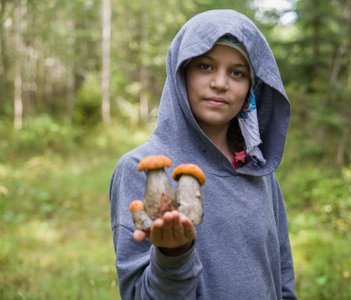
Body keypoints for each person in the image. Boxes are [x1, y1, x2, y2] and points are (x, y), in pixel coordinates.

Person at [109, 9, 297, 300]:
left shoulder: (258, 170)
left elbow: (281, 276)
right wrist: (174, 254)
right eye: (206, 66)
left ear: (251, 89)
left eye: (237, 72)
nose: (221, 83)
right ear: (181, 72)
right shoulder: (143, 170)